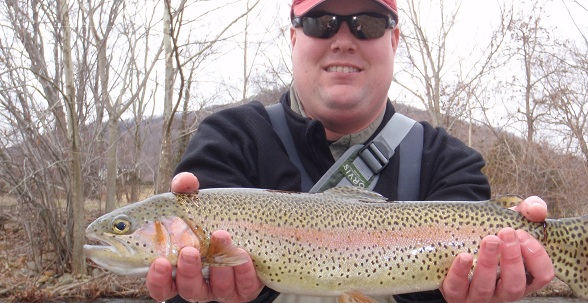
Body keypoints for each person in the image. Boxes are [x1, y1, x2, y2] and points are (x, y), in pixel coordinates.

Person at [146, 0, 556, 302]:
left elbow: (470, 278)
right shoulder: (231, 140)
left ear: (394, 39)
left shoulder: (449, 162)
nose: (343, 39)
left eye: (368, 23)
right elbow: (185, 283)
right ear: (293, 36)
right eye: (321, 22)